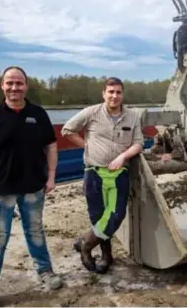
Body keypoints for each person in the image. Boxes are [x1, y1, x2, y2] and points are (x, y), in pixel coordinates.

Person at [0, 66, 62, 307]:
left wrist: (51, 176)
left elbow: (51, 146)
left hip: (33, 187)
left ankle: (45, 271)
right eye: (9, 83)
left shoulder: (38, 114)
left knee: (35, 232)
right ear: (2, 86)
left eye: (19, 83)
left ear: (26, 85)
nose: (14, 87)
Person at [61, 77, 143, 274]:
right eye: (111, 92)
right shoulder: (92, 112)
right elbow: (67, 130)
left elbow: (138, 143)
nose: (114, 96)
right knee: (98, 216)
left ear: (123, 94)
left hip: (118, 174)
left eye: (118, 92)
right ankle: (107, 256)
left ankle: (86, 244)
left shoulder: (133, 117)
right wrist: (87, 146)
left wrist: (123, 156)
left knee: (116, 215)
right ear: (104, 94)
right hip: (93, 172)